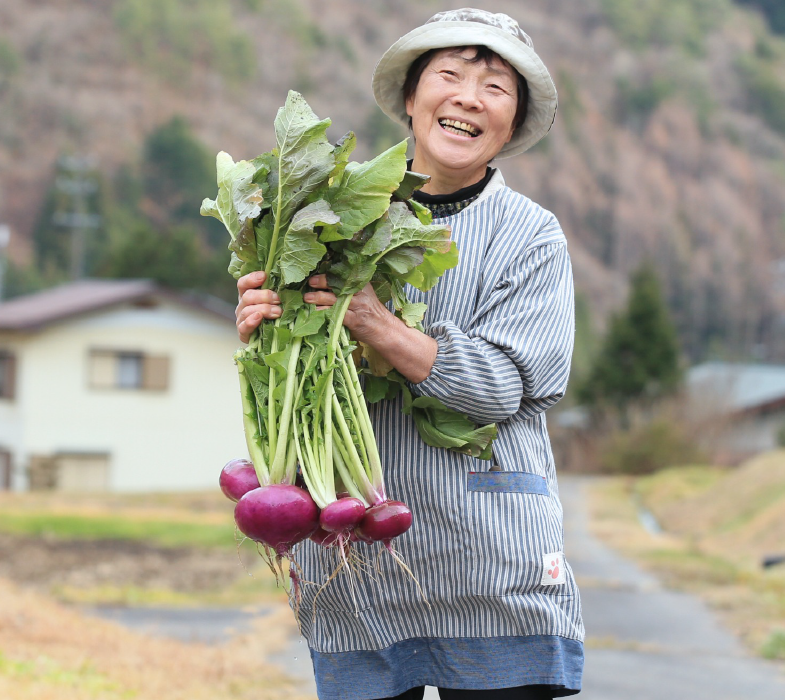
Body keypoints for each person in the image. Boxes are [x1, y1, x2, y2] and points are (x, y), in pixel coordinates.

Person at [234, 9, 582, 700]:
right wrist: (263, 322)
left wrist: (380, 327)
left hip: (489, 560)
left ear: (512, 124)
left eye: (495, 88)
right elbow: (301, 368)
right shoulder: (324, 213)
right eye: (449, 75)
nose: (468, 98)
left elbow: (507, 387)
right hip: (351, 557)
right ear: (412, 98)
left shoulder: (531, 236)